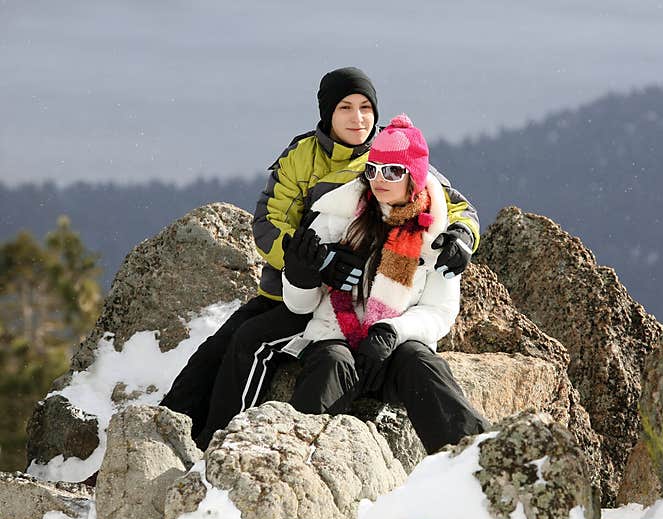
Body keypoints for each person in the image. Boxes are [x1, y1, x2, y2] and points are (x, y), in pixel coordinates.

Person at [158, 67, 481, 450]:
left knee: (251, 343)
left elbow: (453, 207)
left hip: (360, 308)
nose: (357, 118)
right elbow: (268, 223)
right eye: (345, 107)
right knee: (219, 348)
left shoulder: (392, 152)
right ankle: (177, 434)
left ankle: (218, 442)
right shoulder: (304, 157)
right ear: (327, 113)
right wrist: (313, 262)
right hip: (297, 289)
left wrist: (462, 237)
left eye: (365, 107)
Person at [281, 114, 489, 453]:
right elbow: (300, 306)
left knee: (422, 365)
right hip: (336, 339)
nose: (379, 179)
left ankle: (478, 462)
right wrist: (301, 275)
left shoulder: (437, 234)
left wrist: (392, 331)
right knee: (331, 363)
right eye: (373, 168)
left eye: (393, 171)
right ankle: (296, 464)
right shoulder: (336, 217)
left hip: (393, 349)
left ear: (416, 177)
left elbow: (440, 311)